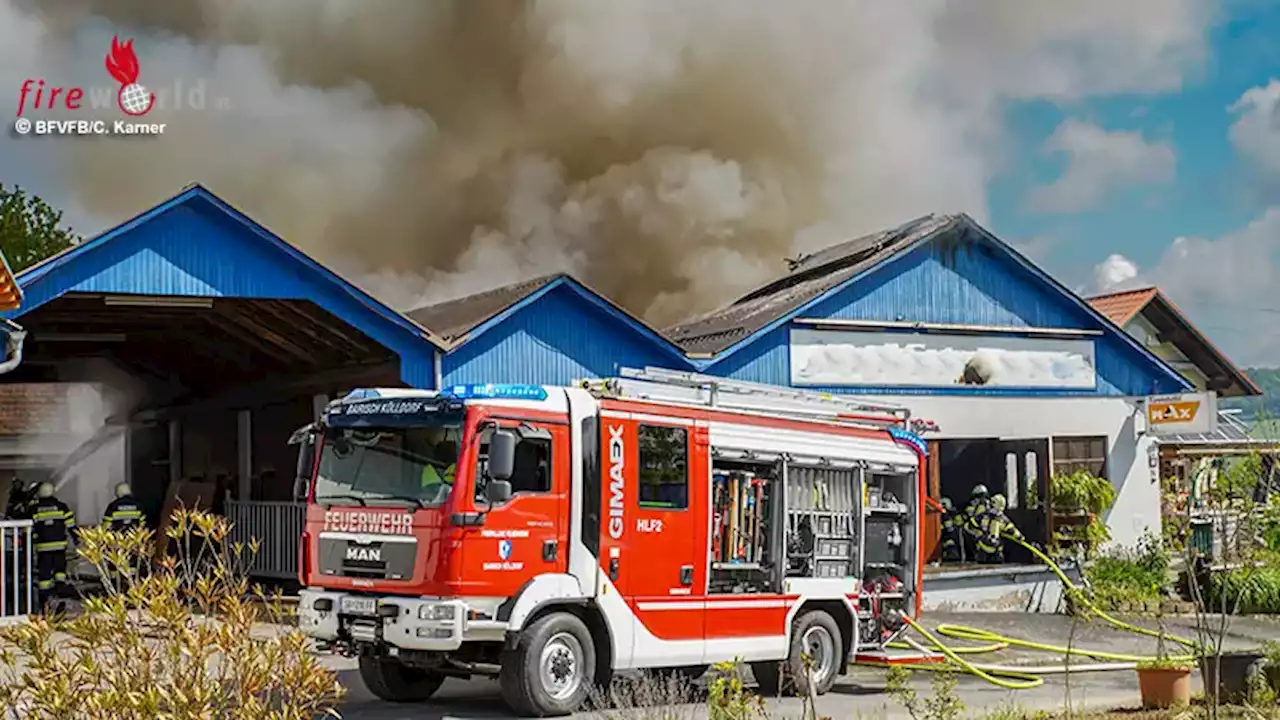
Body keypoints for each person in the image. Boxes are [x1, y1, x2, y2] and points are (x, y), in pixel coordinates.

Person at [31, 482, 75, 610]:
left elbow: (30, 528)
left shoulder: (35, 509)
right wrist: (77, 539)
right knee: (60, 572)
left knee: (44, 575)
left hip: (43, 547)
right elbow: (71, 525)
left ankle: (44, 600)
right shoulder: (62, 507)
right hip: (60, 547)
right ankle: (59, 595)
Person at [975, 493, 1023, 564]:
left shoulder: (982, 515)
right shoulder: (1001, 519)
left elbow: (971, 524)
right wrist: (1020, 537)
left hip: (982, 549)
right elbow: (1011, 530)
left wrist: (978, 534)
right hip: (995, 550)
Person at [962, 484, 990, 560]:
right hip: (984, 527)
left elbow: (968, 516)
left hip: (978, 527)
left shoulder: (976, 505)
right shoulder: (989, 504)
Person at [940, 497, 964, 563]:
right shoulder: (953, 513)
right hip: (953, 536)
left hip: (950, 536)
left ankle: (952, 556)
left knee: (950, 545)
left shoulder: (947, 515)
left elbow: (959, 523)